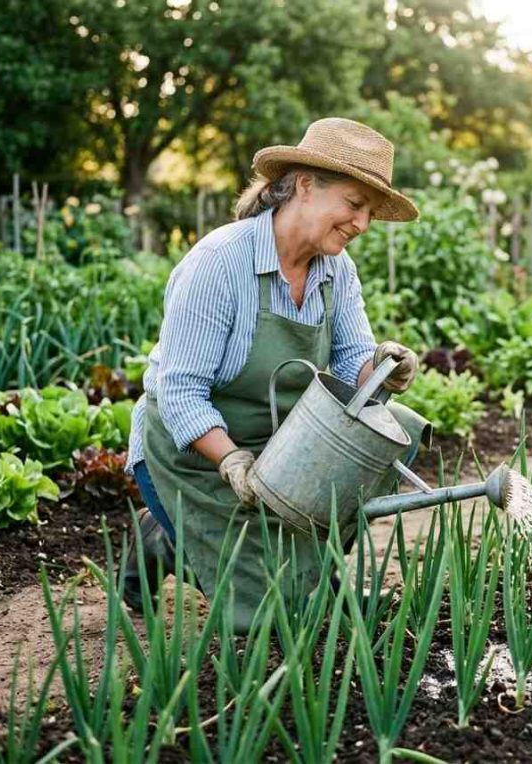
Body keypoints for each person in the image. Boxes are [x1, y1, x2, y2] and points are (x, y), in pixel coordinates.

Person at [123, 118, 428, 629]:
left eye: (371, 213)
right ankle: (162, 537)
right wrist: (231, 460)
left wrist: (384, 369)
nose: (362, 225)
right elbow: (178, 392)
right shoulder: (220, 262)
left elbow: (353, 366)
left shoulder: (336, 270)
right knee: (272, 614)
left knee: (397, 430)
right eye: (355, 204)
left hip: (281, 446)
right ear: (305, 185)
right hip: (195, 457)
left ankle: (306, 575)